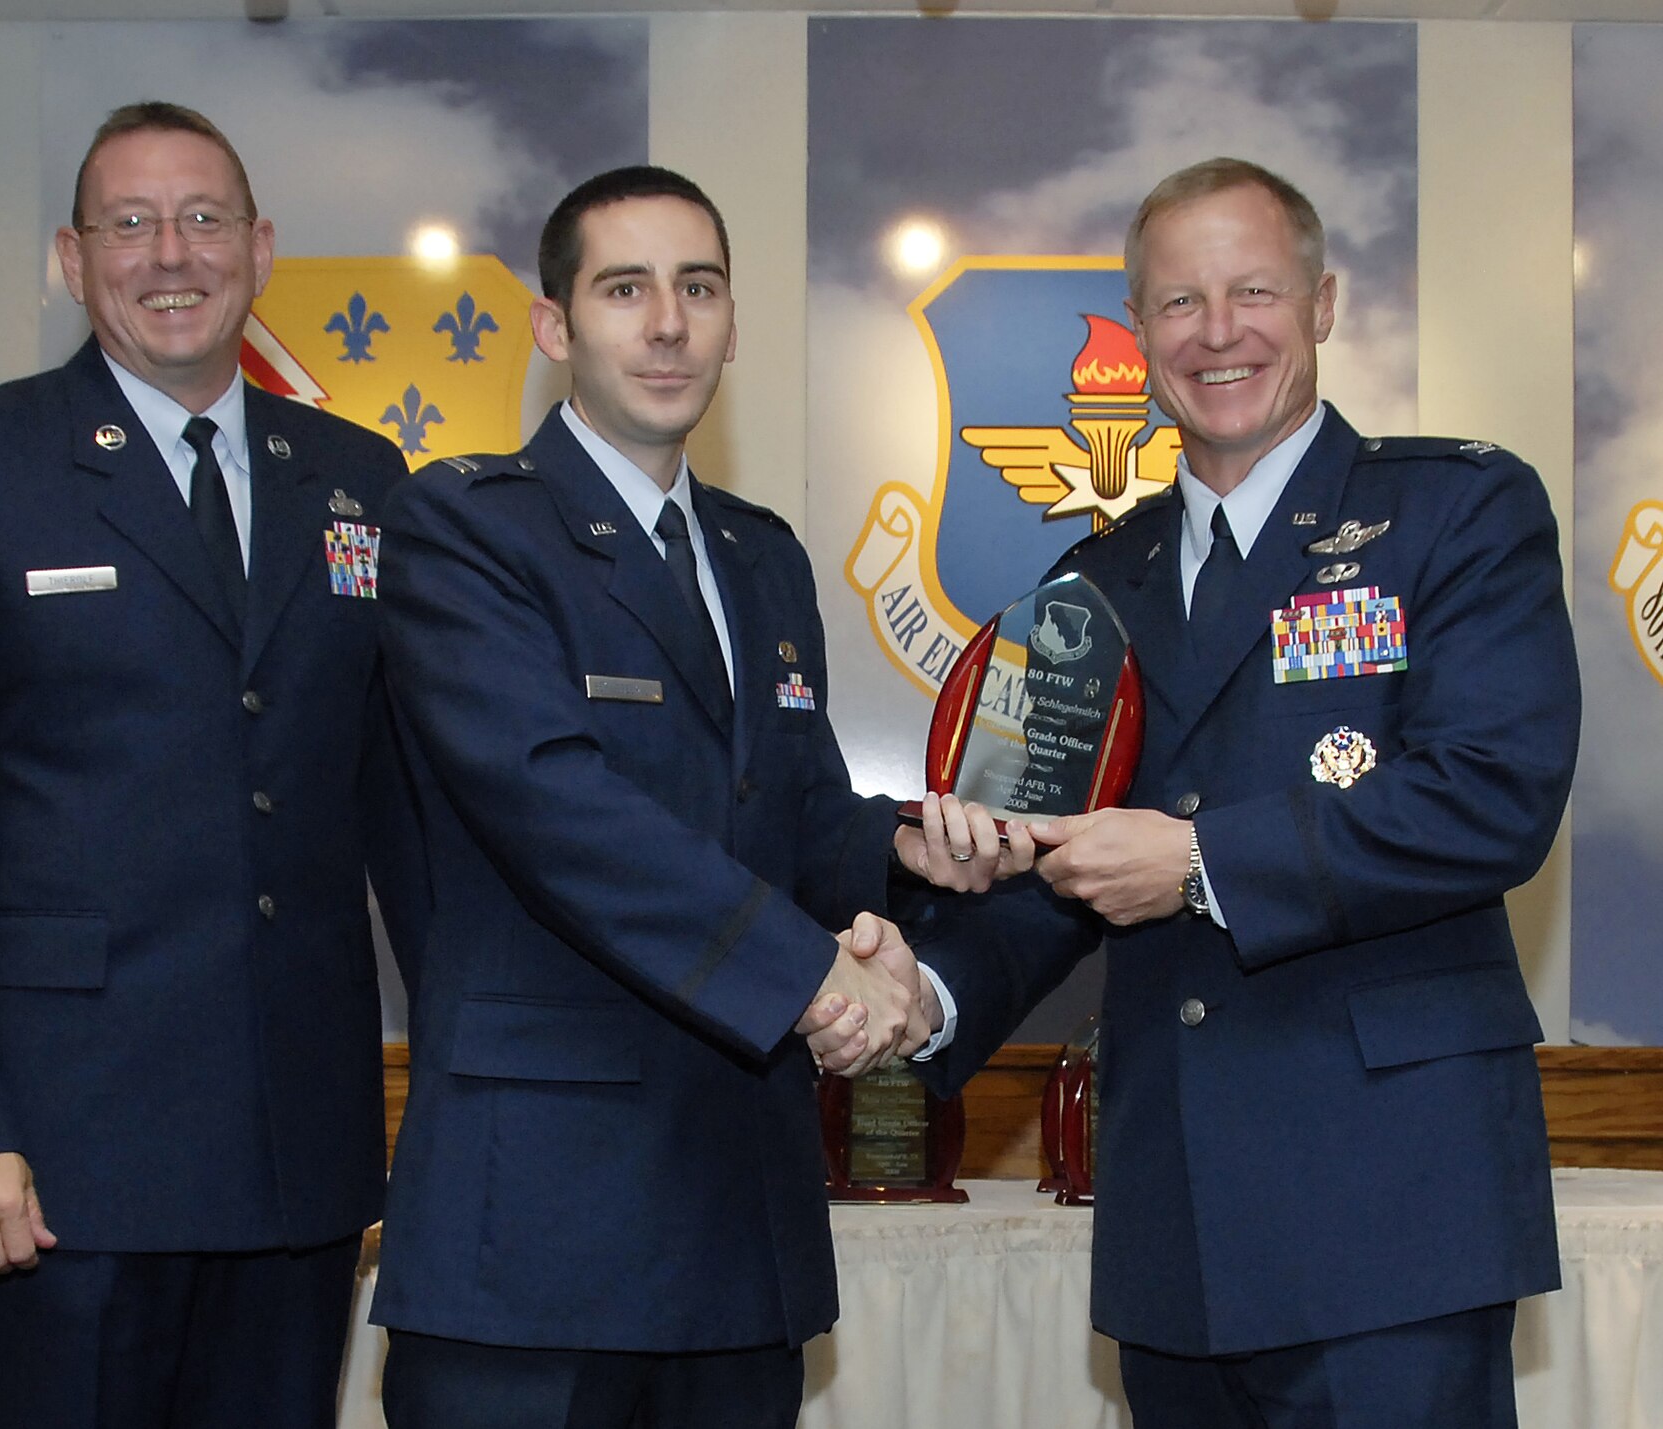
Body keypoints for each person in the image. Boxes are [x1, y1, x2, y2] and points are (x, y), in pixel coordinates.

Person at [830, 157, 1582, 1428]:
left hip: (1391, 1204)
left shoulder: (1454, 507)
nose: (1218, 330)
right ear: (1138, 335)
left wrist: (1194, 862)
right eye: (1178, 303)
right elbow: (1050, 864)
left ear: (1323, 303)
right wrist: (930, 989)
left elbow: (1491, 796)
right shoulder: (1087, 587)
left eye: (1253, 290)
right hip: (1172, 1204)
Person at [369, 165, 1000, 1429]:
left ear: (727, 319)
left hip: (732, 1221)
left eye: (696, 287)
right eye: (624, 288)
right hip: (532, 1231)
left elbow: (797, 812)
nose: (667, 322)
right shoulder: (464, 526)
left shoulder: (760, 557)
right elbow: (561, 810)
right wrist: (820, 979)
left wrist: (913, 851)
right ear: (555, 326)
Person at [0, 101, 424, 1428]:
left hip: (298, 1154)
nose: (174, 253)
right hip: (58, 1160)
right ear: (71, 255)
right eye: (132, 223)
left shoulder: (356, 478)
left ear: (261, 248)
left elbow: (407, 808)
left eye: (205, 218)